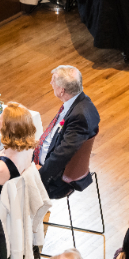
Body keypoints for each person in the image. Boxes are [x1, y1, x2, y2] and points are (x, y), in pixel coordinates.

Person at [34, 66, 100, 199]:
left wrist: (38, 178)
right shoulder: (82, 101)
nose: (50, 83)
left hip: (55, 180)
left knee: (5, 176)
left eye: (53, 81)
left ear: (62, 90)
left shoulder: (79, 116)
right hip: (48, 158)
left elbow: (62, 155)